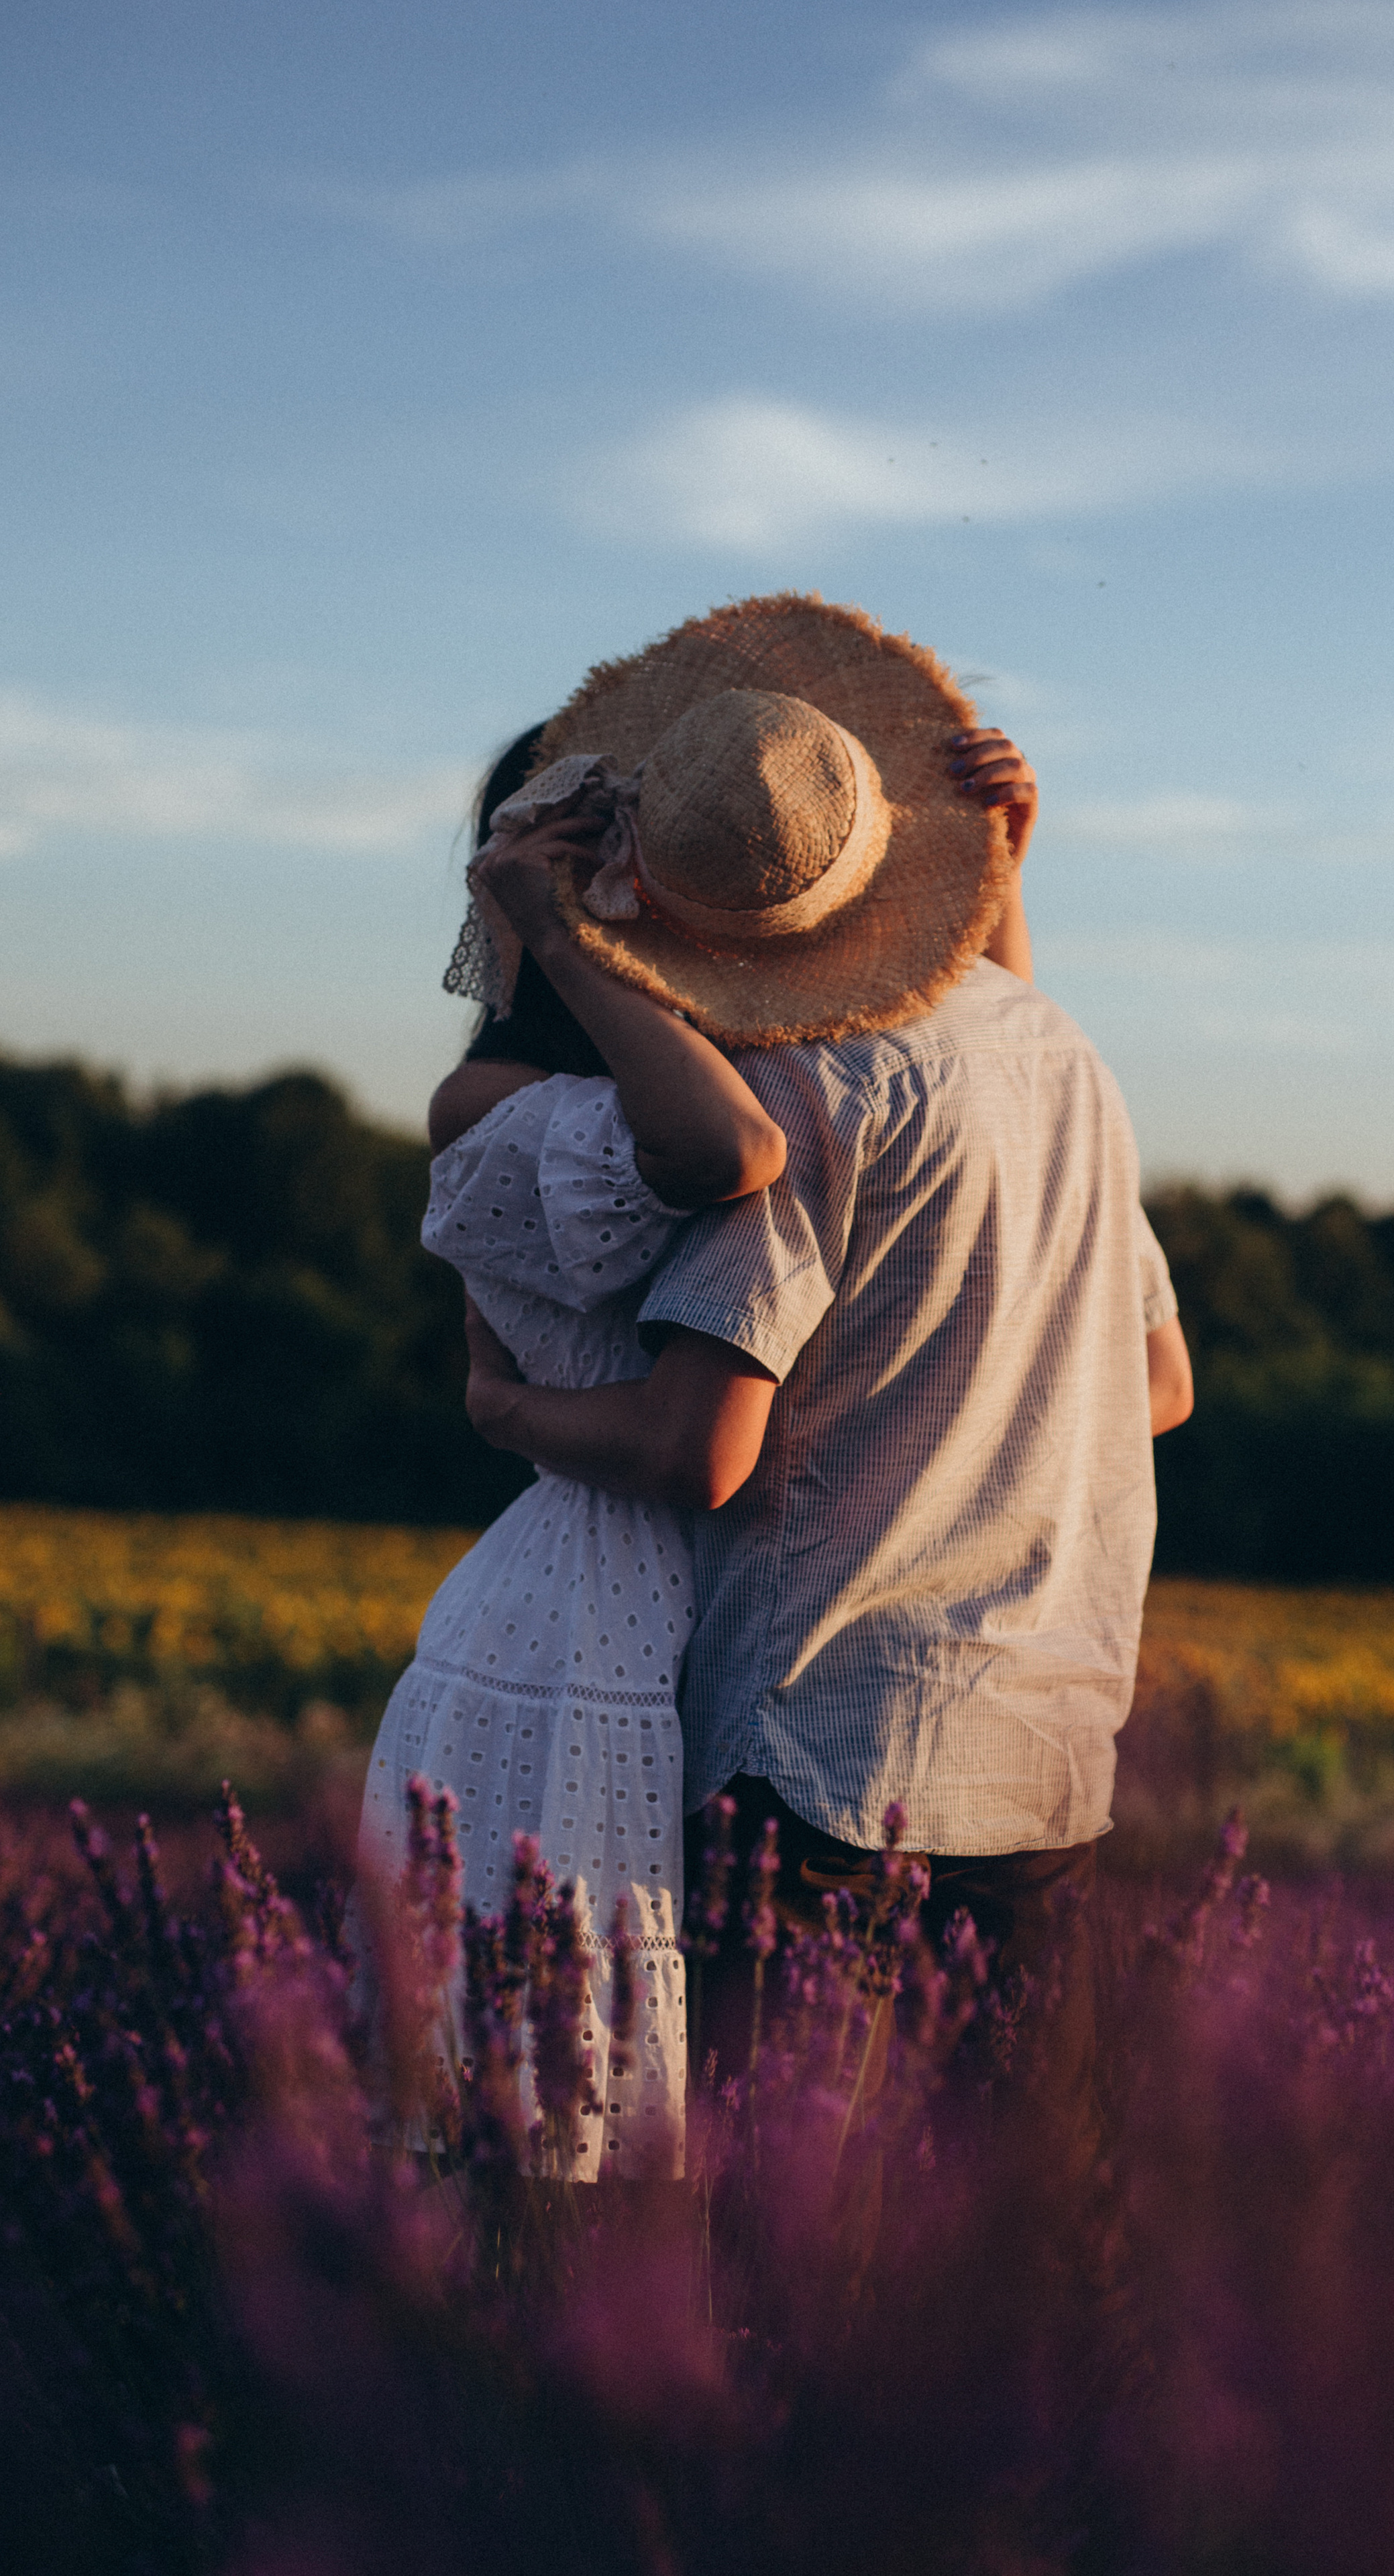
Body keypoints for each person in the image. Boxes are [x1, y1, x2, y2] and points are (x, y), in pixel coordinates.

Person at [458, 592, 1192, 2198]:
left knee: (777, 2266)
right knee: (1010, 2270)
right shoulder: (1063, 1054)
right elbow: (1153, 1384)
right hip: (1044, 1748)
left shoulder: (804, 1082)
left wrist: (502, 1413)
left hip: (822, 1758)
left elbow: (693, 1448)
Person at [357, 703, 788, 2182]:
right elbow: (725, 1154)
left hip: (679, 1601)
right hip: (582, 1615)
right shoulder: (495, 1098)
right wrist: (548, 926)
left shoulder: (710, 1070)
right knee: (554, 2115)